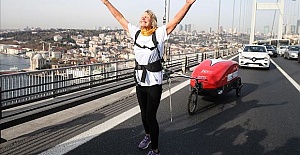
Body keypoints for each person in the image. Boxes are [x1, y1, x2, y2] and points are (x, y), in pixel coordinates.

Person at [100, 0, 196, 154]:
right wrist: (106, 3)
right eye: (142, 16)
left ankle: (155, 149)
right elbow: (119, 18)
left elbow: (176, 21)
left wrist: (188, 4)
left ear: (152, 21)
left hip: (153, 83)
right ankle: (148, 135)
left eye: (146, 17)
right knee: (143, 115)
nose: (143, 18)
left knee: (151, 116)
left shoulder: (159, 33)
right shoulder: (136, 33)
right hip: (140, 82)